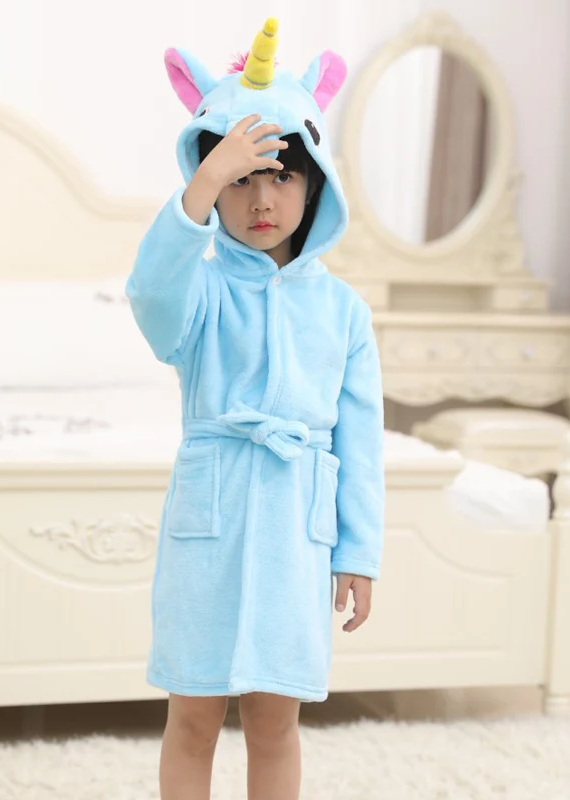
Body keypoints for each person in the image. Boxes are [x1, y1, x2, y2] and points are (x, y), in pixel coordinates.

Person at [126, 18, 385, 800]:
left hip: (295, 534)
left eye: (280, 176)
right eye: (240, 180)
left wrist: (358, 551)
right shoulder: (198, 289)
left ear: (315, 186)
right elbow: (150, 296)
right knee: (193, 718)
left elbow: (361, 443)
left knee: (275, 723)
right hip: (209, 527)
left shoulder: (344, 313)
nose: (262, 199)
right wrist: (204, 180)